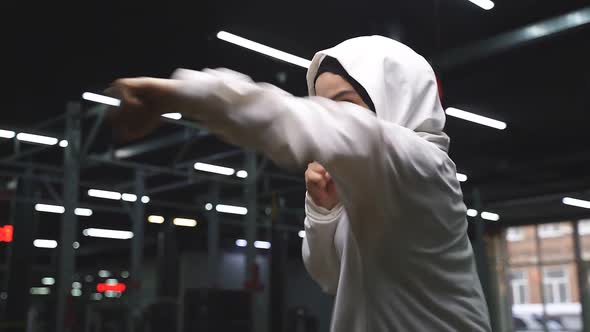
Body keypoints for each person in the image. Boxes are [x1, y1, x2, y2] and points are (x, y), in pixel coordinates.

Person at [109, 35, 491, 332]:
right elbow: (330, 277)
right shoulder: (370, 194)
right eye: (323, 103)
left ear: (392, 97)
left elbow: (297, 119)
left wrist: (181, 94)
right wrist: (323, 211)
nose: (332, 115)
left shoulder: (423, 167)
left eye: (344, 102)